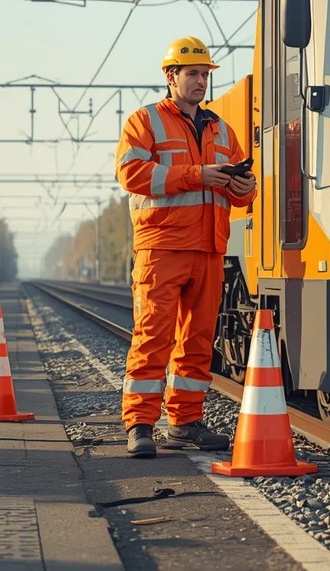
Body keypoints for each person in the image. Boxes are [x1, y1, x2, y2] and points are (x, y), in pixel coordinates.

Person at [115, 35, 257, 458]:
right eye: (192, 73)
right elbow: (131, 173)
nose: (200, 81)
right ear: (170, 76)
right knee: (152, 336)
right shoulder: (145, 121)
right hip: (161, 247)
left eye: (204, 74)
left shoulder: (221, 129)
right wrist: (197, 175)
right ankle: (140, 425)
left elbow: (242, 195)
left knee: (197, 342)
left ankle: (184, 422)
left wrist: (244, 186)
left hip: (209, 249)